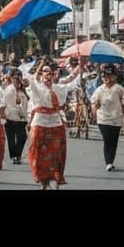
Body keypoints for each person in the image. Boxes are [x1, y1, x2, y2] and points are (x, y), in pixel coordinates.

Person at [25, 57, 79, 189]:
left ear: (55, 74)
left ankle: (56, 179)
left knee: (57, 154)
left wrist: (81, 64)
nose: (48, 75)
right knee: (38, 153)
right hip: (40, 122)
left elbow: (73, 78)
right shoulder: (36, 87)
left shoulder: (60, 87)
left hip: (55, 123)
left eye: (51, 73)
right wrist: (41, 65)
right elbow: (30, 77)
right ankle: (44, 182)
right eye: (45, 72)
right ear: (41, 74)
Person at [90, 65, 124, 172]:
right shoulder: (99, 90)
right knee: (107, 140)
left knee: (114, 141)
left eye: (109, 76)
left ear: (114, 77)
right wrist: (95, 109)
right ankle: (108, 162)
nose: (107, 78)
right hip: (103, 119)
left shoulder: (119, 89)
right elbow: (93, 103)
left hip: (116, 119)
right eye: (104, 76)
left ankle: (111, 161)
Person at [2, 70, 28, 165]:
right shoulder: (9, 90)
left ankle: (18, 155)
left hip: (22, 118)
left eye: (19, 76)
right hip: (11, 117)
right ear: (11, 78)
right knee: (11, 139)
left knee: (22, 137)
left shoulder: (23, 89)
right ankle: (14, 156)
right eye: (15, 77)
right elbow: (6, 104)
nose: (17, 79)